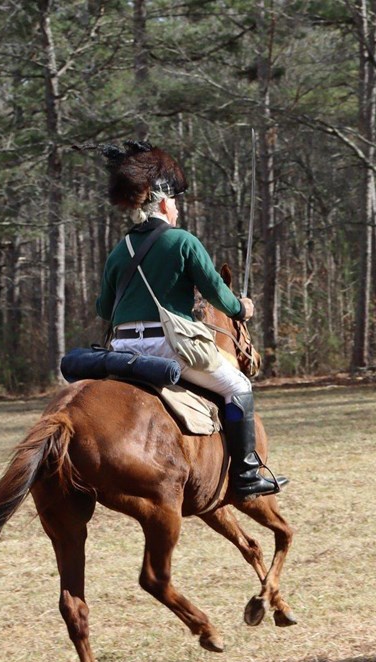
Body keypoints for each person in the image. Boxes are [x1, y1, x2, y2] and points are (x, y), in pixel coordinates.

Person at [94, 141, 286, 501]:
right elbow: (216, 292)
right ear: (162, 203)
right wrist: (241, 309)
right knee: (238, 387)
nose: (177, 209)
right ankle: (247, 475)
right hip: (169, 348)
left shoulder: (120, 250)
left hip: (122, 351)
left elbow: (104, 309)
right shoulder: (182, 241)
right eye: (174, 202)